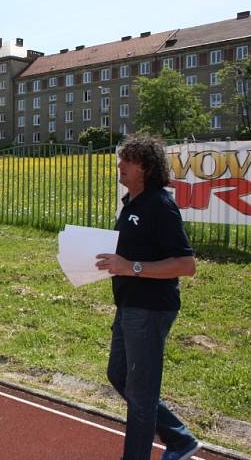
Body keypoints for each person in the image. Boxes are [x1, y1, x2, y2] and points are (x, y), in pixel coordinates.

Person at [95, 134, 201, 460]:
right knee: (119, 374)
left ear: (146, 167)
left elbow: (186, 265)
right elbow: (130, 253)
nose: (120, 164)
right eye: (121, 158)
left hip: (150, 309)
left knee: (141, 396)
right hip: (128, 304)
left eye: (128, 160)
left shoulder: (160, 204)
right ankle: (179, 438)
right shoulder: (131, 203)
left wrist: (132, 266)